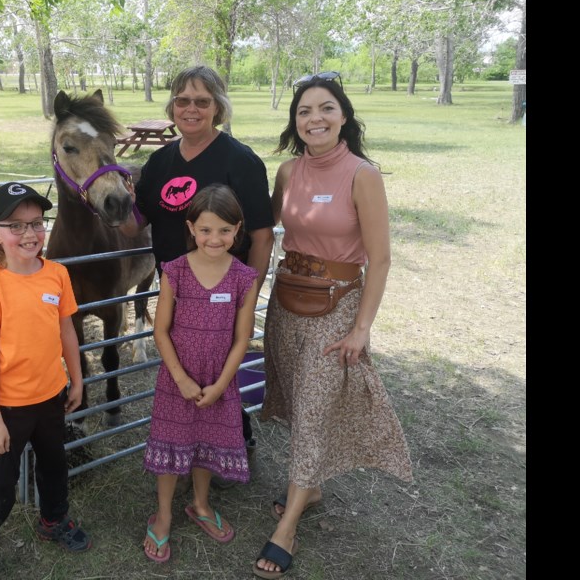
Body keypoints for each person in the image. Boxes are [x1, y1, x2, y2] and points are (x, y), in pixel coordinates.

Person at [253, 72, 413, 578]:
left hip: (338, 305)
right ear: (295, 121)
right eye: (304, 111)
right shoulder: (286, 172)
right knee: (301, 399)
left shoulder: (362, 175)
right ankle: (313, 484)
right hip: (287, 301)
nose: (314, 119)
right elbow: (261, 228)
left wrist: (362, 328)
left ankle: (288, 526)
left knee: (318, 403)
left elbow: (382, 260)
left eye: (325, 109)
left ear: (343, 116)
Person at [123, 64, 275, 465]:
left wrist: (249, 295)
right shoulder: (158, 164)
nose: (191, 109)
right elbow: (135, 221)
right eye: (182, 100)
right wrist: (107, 199)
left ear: (218, 108)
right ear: (172, 107)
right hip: (175, 291)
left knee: (221, 374)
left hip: (225, 294)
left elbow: (261, 236)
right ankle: (184, 449)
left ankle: (232, 441)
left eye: (202, 101)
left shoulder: (241, 161)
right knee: (181, 374)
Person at [0, 182, 93, 579]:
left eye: (36, 223)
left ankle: (53, 520)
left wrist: (76, 380)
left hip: (52, 396)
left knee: (54, 466)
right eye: (16, 226)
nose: (30, 234)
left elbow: (67, 329)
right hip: (11, 407)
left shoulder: (56, 275)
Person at [141, 185, 260, 563]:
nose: (215, 238)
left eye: (225, 230)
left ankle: (201, 503)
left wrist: (222, 384)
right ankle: (163, 514)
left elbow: (243, 337)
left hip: (218, 380)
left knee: (206, 443)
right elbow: (160, 330)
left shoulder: (244, 277)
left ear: (238, 229)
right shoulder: (174, 271)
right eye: (206, 230)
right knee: (172, 442)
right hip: (179, 379)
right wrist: (182, 379)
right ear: (191, 228)